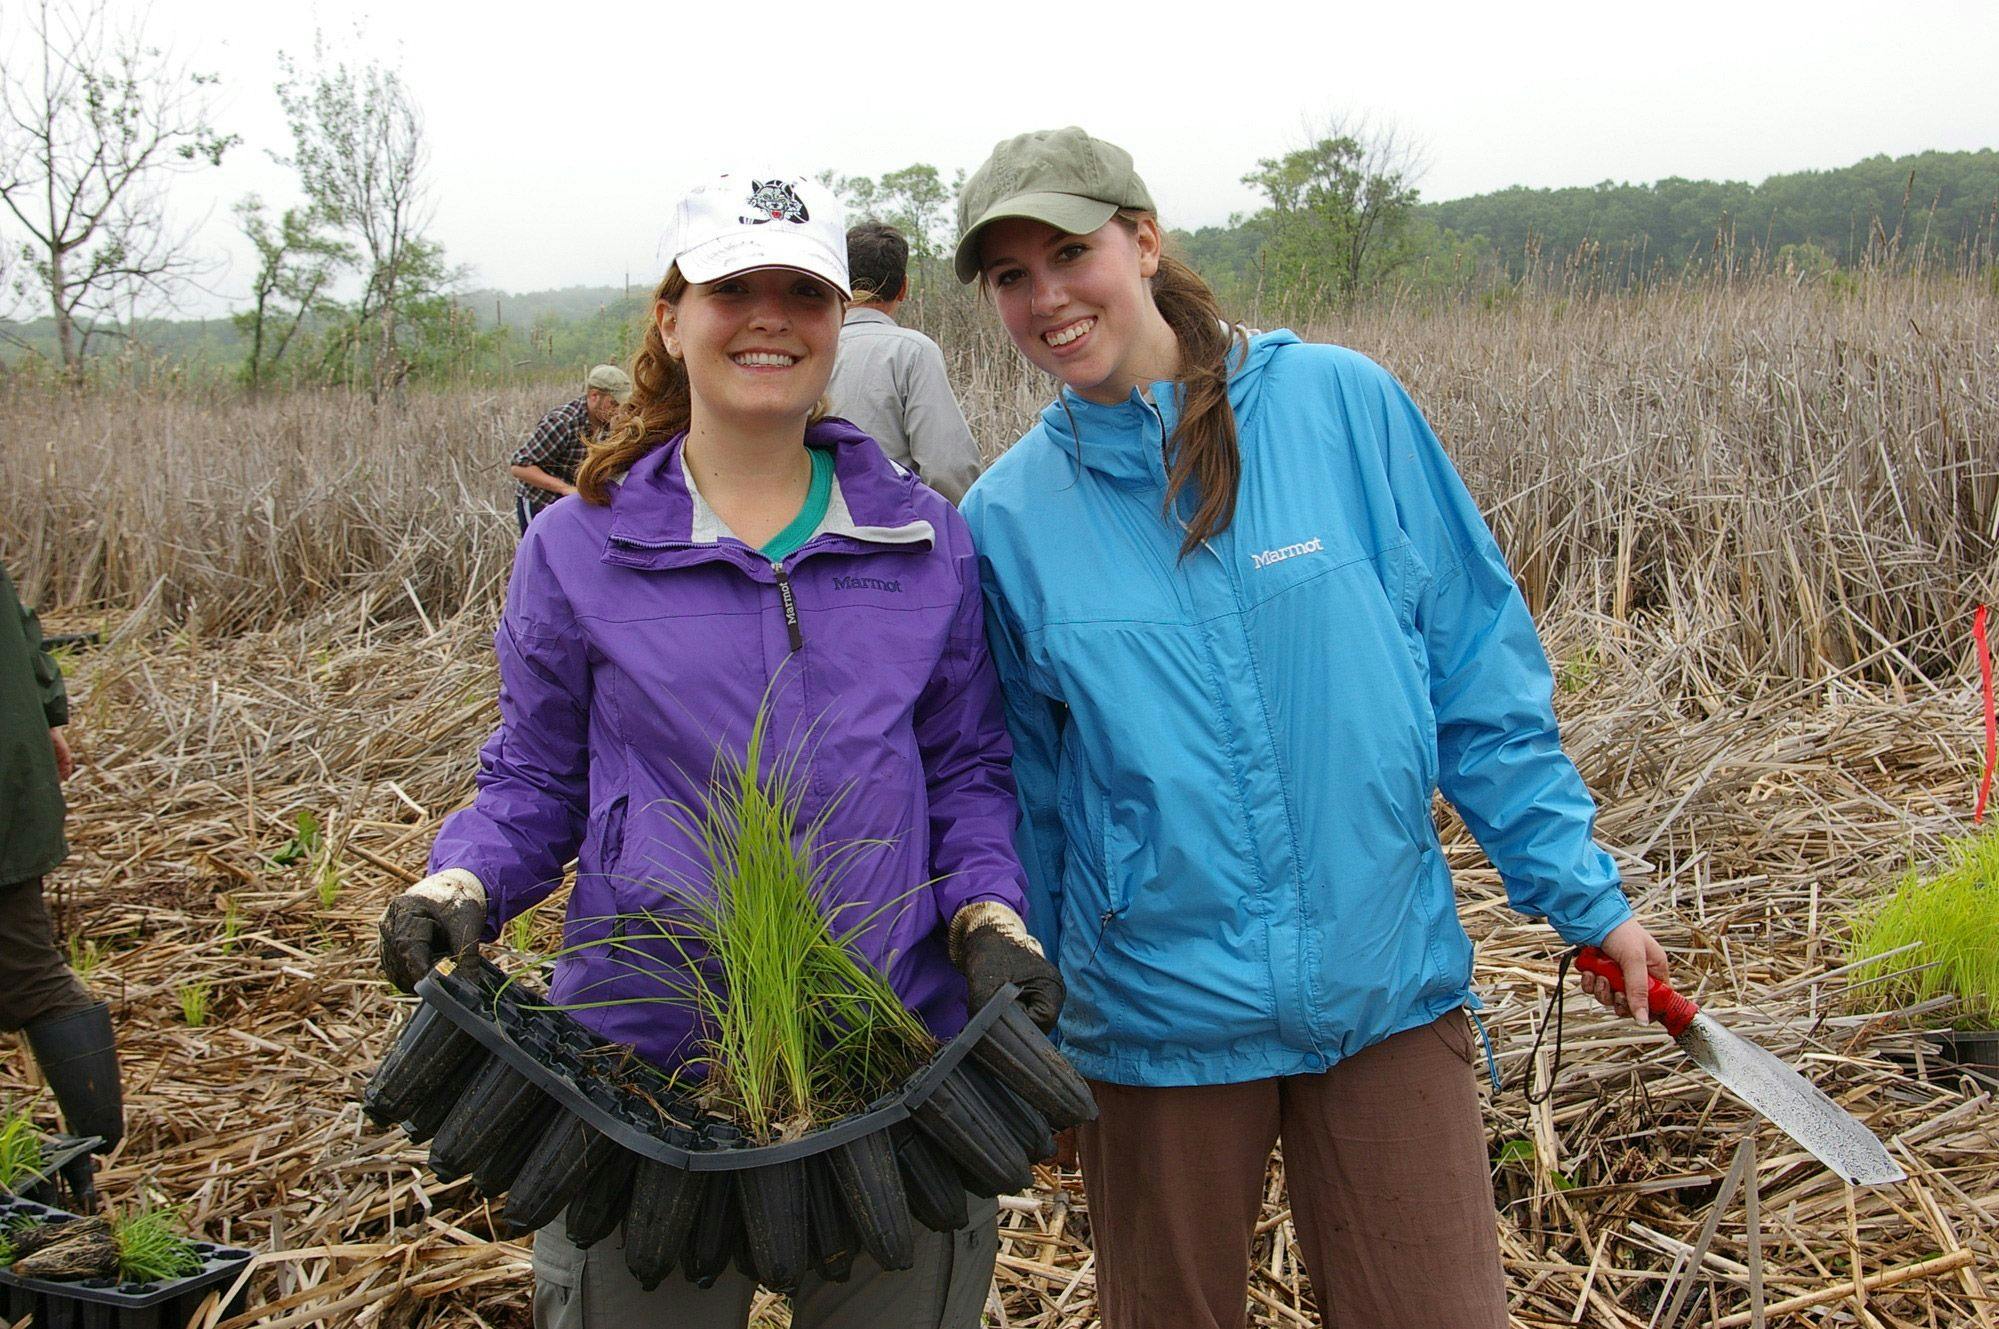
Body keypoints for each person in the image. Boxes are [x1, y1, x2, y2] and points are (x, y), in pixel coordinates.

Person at [953, 127, 1670, 1329]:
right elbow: (1027, 793)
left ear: (1142, 240)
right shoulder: (1007, 518)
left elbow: (1476, 679)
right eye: (1009, 277)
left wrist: (1581, 893)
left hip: (1383, 985)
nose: (1047, 298)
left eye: (1069, 252)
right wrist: (1036, 1043)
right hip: (1155, 1021)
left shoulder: (1344, 406)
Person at [376, 170, 1061, 1329]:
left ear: (841, 321)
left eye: (803, 292)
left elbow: (966, 770)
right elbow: (536, 778)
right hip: (642, 1077)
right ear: (671, 318)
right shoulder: (580, 551)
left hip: (892, 1062)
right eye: (731, 286)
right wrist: (463, 880)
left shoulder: (920, 539)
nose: (768, 318)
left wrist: (988, 917)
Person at [1, 558, 124, 1202]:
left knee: (30, 970)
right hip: (9, 766)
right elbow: (18, 622)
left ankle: (86, 1164)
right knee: (29, 965)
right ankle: (96, 1155)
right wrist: (43, 709)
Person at [825, 223, 982, 504]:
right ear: (903, 288)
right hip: (892, 531)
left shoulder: (809, 351)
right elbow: (949, 468)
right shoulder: (912, 351)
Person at [509, 364, 634, 532]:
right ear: (594, 395)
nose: (617, 409)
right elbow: (519, 467)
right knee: (539, 553)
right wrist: (565, 489)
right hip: (540, 502)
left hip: (572, 507)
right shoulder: (562, 422)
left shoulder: (608, 424)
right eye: (613, 403)